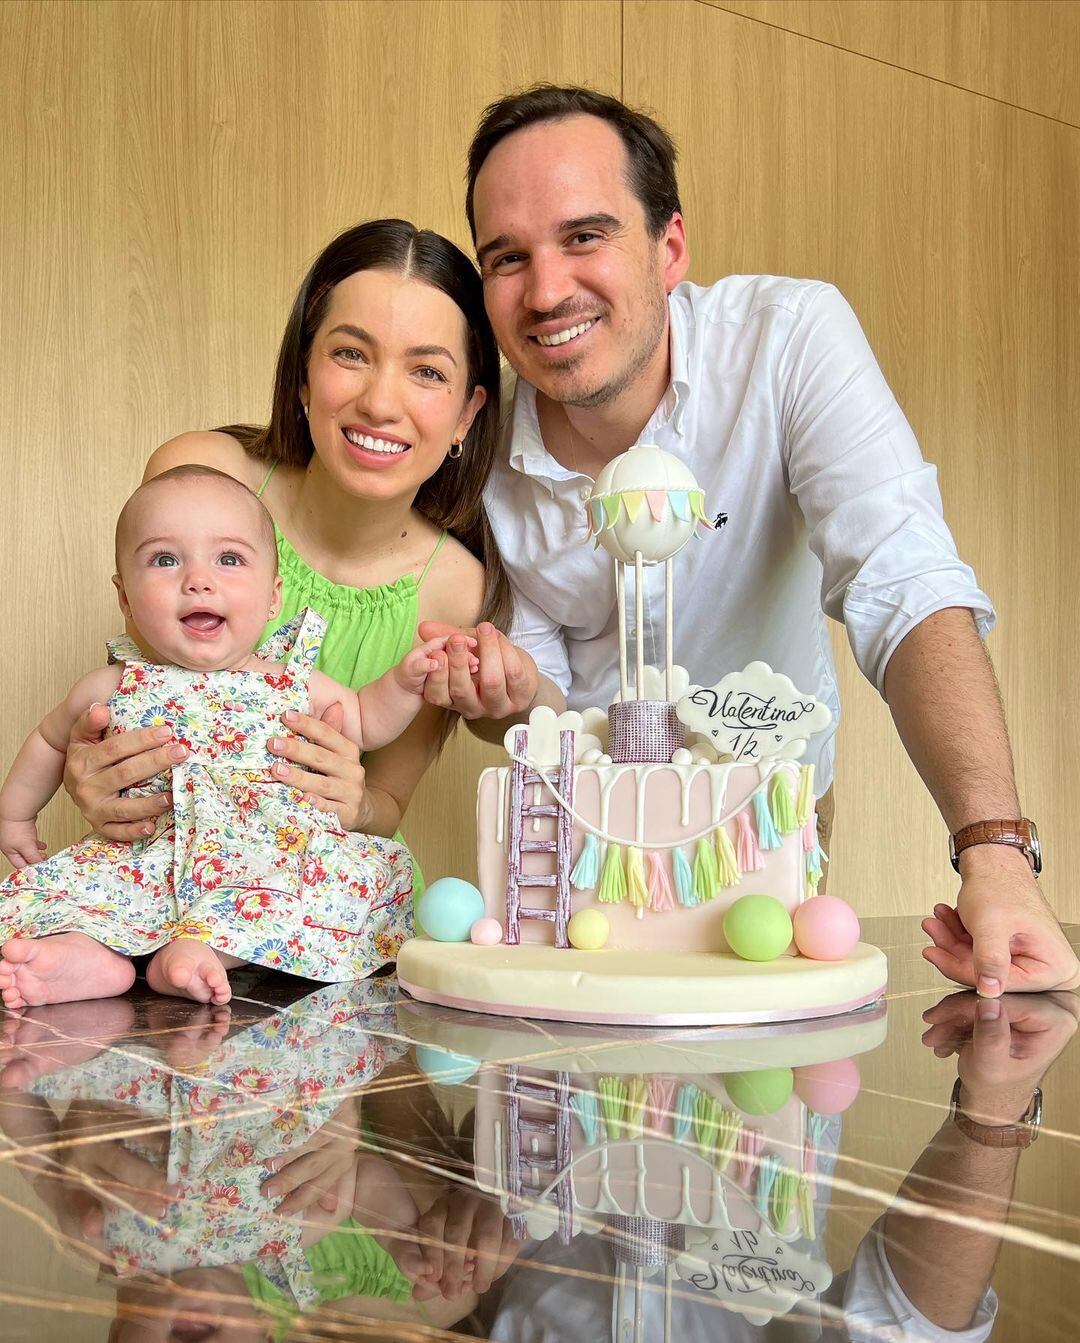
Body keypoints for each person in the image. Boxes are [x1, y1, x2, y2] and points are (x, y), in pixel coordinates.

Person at [420, 84, 1078, 1000]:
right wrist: (506, 694)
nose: (547, 290)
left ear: (670, 246)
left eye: (585, 236)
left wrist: (997, 854)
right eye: (506, 257)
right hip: (595, 854)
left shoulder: (788, 340)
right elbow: (541, 705)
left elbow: (902, 576)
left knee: (757, 1117)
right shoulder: (475, 441)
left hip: (769, 811)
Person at [55, 218, 510, 911]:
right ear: (302, 374)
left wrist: (353, 802)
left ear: (466, 415)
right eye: (351, 354)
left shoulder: (454, 586)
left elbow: (386, 799)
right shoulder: (197, 474)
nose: (381, 403)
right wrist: (93, 774)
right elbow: (145, 704)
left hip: (310, 908)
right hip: (177, 890)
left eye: (427, 371)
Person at [0, 467, 472, 1009]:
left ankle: (202, 953)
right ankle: (89, 958)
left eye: (229, 559)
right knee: (79, 898)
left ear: (273, 598)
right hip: (146, 855)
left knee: (315, 887)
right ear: (125, 598)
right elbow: (50, 740)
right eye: (165, 559)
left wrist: (407, 681)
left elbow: (364, 718)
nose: (198, 580)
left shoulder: (288, 680)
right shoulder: (113, 685)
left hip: (259, 857)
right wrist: (15, 814)